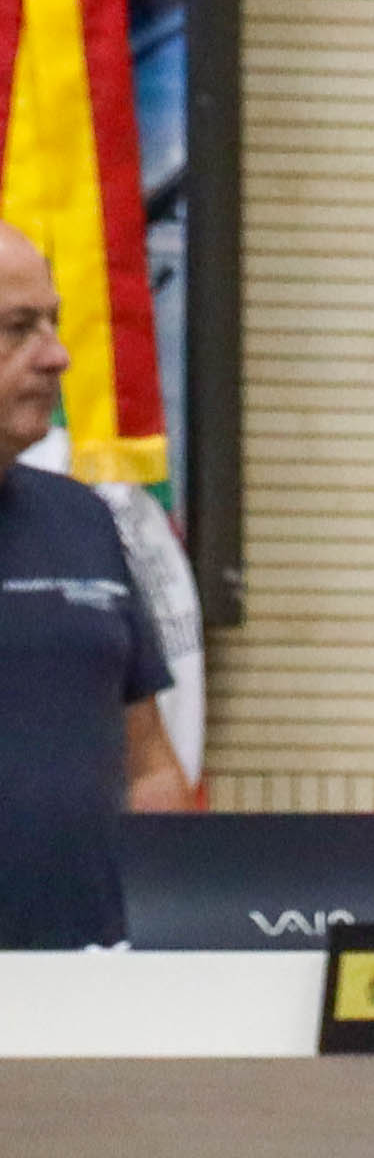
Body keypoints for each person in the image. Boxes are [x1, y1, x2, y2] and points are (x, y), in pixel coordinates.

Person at [0, 221, 183, 948]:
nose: (58, 356)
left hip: (91, 989)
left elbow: (149, 767)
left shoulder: (83, 519)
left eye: (54, 322)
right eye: (19, 328)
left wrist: (176, 942)